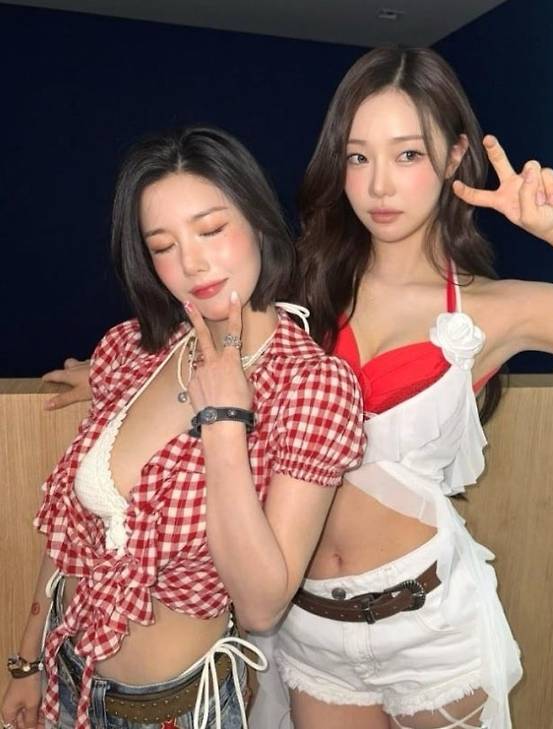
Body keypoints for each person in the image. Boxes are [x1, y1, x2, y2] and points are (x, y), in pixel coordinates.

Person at [35, 47, 553, 729]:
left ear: (455, 156)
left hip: (424, 621)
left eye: (408, 154)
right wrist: (115, 374)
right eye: (359, 157)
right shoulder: (299, 280)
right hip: (307, 627)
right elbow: (203, 329)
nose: (380, 185)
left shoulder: (499, 308)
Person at [1, 126, 365, 729]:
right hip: (66, 677)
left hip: (176, 710)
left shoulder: (311, 385)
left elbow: (261, 606)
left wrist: (224, 423)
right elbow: (70, 535)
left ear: (257, 221)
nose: (192, 263)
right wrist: (26, 659)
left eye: (211, 229)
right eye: (163, 245)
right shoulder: (135, 351)